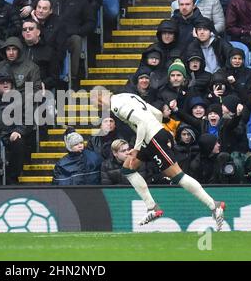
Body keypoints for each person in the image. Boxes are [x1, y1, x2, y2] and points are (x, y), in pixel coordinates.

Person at [90, 87, 226, 230]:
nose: (98, 107)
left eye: (95, 103)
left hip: (153, 139)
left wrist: (137, 148)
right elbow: (157, 113)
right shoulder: (127, 96)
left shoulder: (117, 106)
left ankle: (214, 205)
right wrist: (158, 131)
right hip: (151, 138)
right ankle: (151, 207)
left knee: (177, 175)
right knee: (127, 169)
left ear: (100, 97)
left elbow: (141, 123)